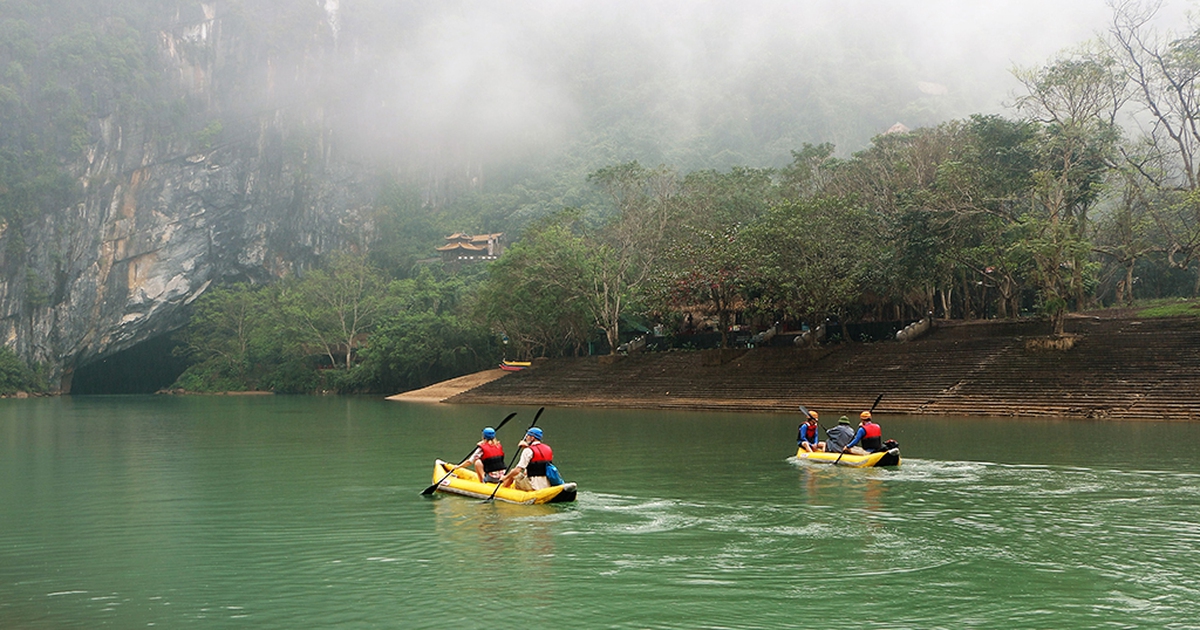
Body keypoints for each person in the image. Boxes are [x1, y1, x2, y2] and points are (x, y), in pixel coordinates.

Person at [500, 427, 554, 491]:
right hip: (547, 484)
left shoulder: (528, 451)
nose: (526, 438)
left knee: (513, 473)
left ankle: (502, 490)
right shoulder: (548, 448)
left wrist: (505, 477)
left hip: (533, 486)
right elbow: (539, 458)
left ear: (532, 438)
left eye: (527, 436)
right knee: (524, 472)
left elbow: (517, 470)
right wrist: (527, 447)